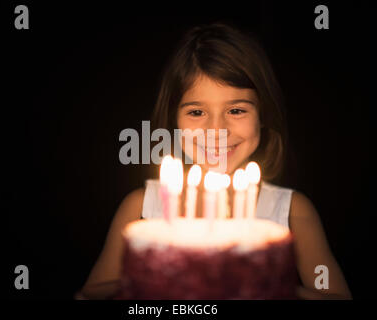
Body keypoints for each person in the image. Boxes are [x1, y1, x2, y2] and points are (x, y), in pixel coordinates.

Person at [76, 22, 352, 300]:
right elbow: (90, 295)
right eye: (197, 112)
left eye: (236, 110)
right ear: (174, 120)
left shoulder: (292, 212)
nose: (216, 130)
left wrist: (268, 288)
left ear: (263, 114)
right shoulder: (141, 208)